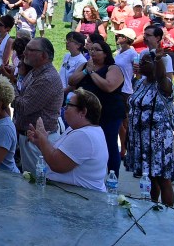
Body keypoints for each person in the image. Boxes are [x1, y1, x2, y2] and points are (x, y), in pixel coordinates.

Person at [26, 88, 108, 191]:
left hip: (81, 200)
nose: (65, 107)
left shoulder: (84, 135)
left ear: (83, 112)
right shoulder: (77, 129)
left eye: (69, 105)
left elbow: (56, 164)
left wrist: (43, 139)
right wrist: (41, 142)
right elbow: (59, 154)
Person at [126, 51, 174, 206]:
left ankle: (168, 212)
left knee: (163, 179)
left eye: (143, 62)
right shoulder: (141, 82)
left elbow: (162, 77)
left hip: (158, 140)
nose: (139, 64)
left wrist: (159, 60)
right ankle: (152, 206)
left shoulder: (164, 84)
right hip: (141, 139)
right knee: (149, 177)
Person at [68, 39, 126, 175]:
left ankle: (113, 177)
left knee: (109, 144)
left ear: (105, 53)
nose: (92, 52)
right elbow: (71, 81)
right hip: (87, 113)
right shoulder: (84, 66)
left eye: (96, 49)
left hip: (109, 113)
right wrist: (85, 72)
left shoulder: (113, 68)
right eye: (91, 49)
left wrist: (92, 73)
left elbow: (108, 86)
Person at [13, 37, 65, 173]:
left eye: (30, 50)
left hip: (38, 142)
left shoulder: (47, 78)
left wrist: (8, 87)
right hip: (31, 139)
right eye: (26, 49)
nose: (25, 52)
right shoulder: (35, 72)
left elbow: (24, 107)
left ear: (44, 55)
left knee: (37, 184)